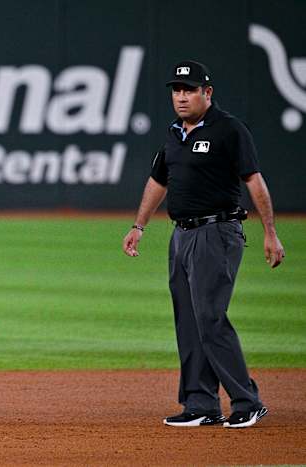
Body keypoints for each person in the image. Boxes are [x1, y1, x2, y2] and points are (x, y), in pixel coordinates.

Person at [122, 60, 285, 429]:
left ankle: (247, 400)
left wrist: (270, 232)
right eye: (177, 90)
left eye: (189, 90)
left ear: (206, 93)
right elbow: (157, 181)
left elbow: (254, 181)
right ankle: (201, 403)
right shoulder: (174, 133)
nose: (181, 97)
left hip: (217, 232)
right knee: (189, 322)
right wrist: (139, 225)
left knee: (210, 317)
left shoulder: (229, 130)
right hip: (181, 235)